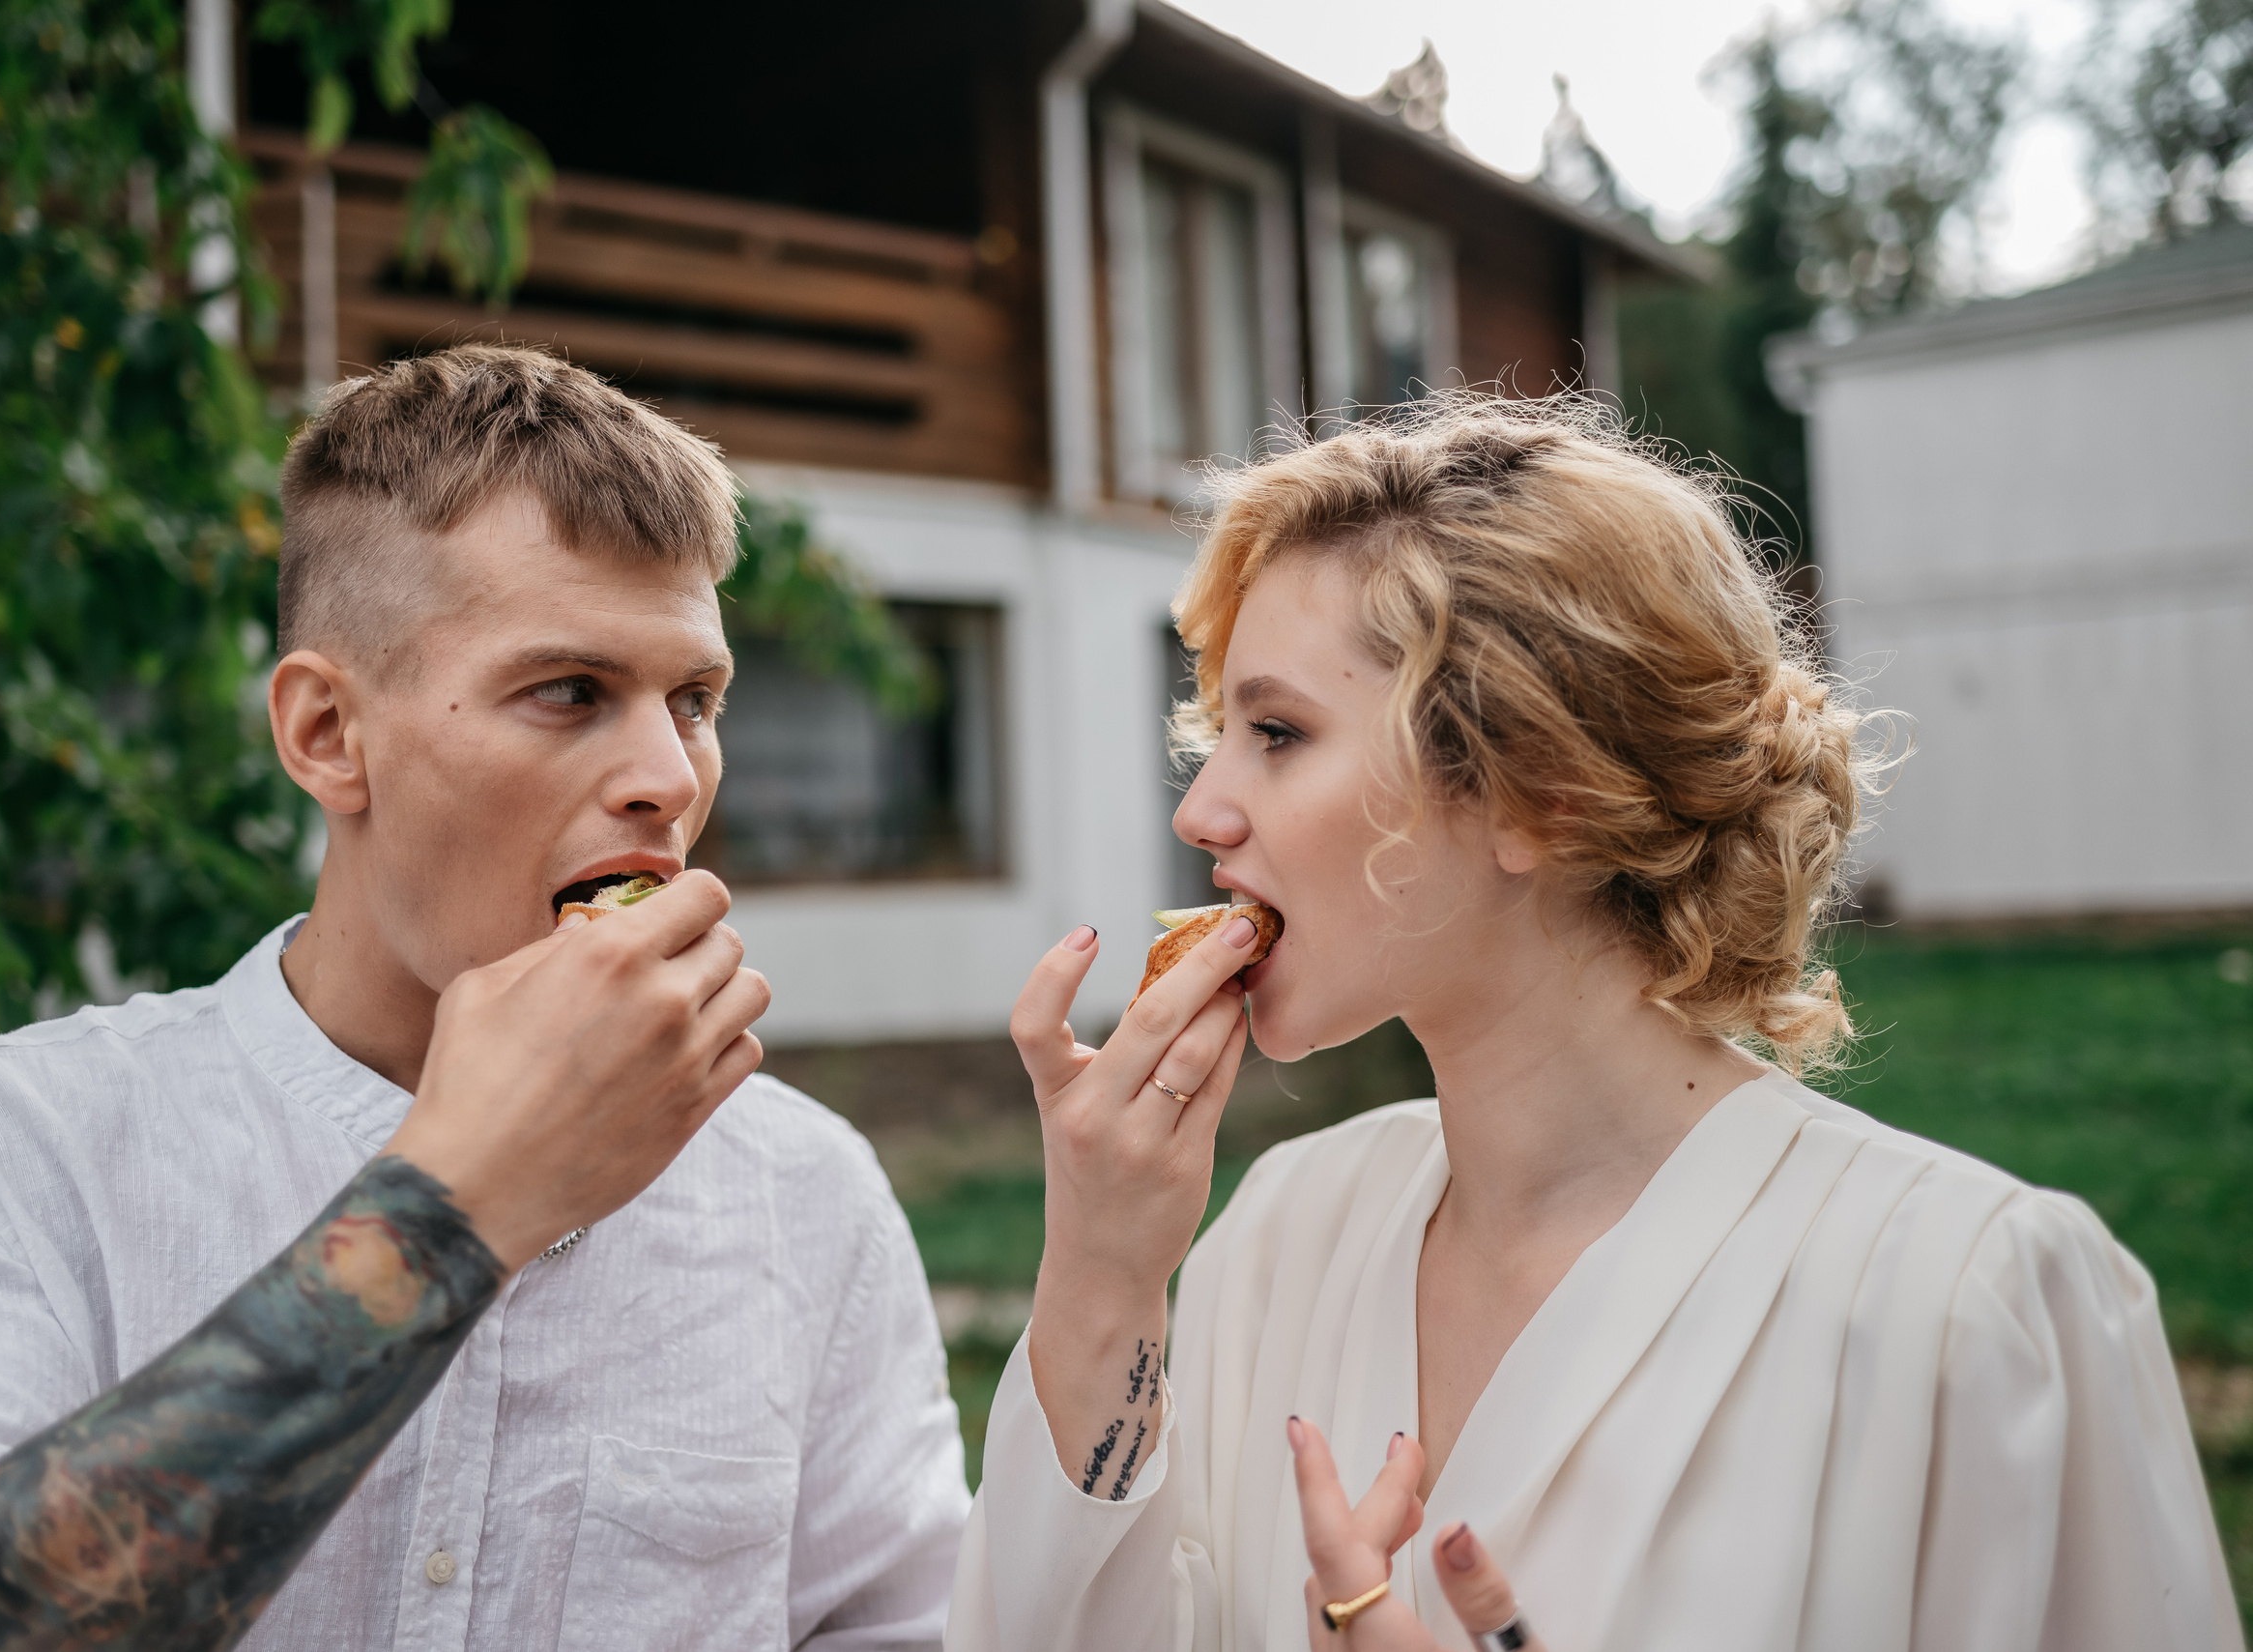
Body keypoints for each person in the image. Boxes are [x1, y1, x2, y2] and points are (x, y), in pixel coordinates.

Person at [945, 397, 2241, 1651]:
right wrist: (1105, 1272)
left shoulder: (1974, 1307)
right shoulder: (1282, 1233)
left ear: (1541, 791)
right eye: (1219, 730)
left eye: (1279, 732)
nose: (1203, 811)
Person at [0, 345, 970, 1651]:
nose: (666, 778)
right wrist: (453, 1204)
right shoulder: (5, 1151)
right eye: (567, 691)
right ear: (327, 736)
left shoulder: (810, 1196)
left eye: (694, 698)